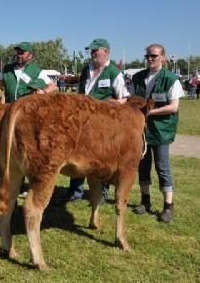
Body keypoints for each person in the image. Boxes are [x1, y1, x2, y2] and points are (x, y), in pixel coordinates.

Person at [65, 38, 129, 204]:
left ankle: (102, 193)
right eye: (91, 51)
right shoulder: (87, 69)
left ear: (106, 52)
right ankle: (75, 191)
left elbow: (125, 99)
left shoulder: (114, 72)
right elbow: (81, 92)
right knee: (77, 154)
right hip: (82, 121)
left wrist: (110, 104)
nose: (92, 53)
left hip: (103, 124)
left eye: (95, 50)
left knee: (101, 158)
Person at [0, 42, 57, 191]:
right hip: (7, 111)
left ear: (30, 56)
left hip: (26, 114)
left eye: (22, 53)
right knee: (3, 144)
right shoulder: (7, 69)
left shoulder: (36, 70)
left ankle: (22, 182)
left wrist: (43, 92)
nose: (19, 55)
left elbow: (52, 86)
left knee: (23, 147)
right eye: (18, 52)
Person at [130, 43, 183, 223]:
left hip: (161, 131)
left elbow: (173, 106)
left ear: (163, 57)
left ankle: (168, 207)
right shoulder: (138, 77)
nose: (150, 59)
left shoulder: (170, 79)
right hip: (141, 130)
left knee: (162, 167)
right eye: (148, 56)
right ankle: (145, 201)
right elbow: (131, 100)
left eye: (154, 56)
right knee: (142, 166)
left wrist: (149, 112)